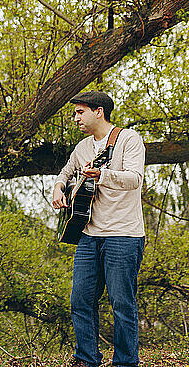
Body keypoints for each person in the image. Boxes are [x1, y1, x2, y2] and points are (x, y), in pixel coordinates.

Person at [52, 91, 145, 367]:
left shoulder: (129, 139)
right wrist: (58, 187)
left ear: (99, 111)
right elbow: (65, 173)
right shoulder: (82, 148)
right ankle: (87, 359)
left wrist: (102, 175)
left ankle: (126, 362)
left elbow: (134, 179)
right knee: (80, 300)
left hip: (123, 235)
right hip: (88, 235)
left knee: (122, 304)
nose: (76, 117)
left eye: (80, 112)